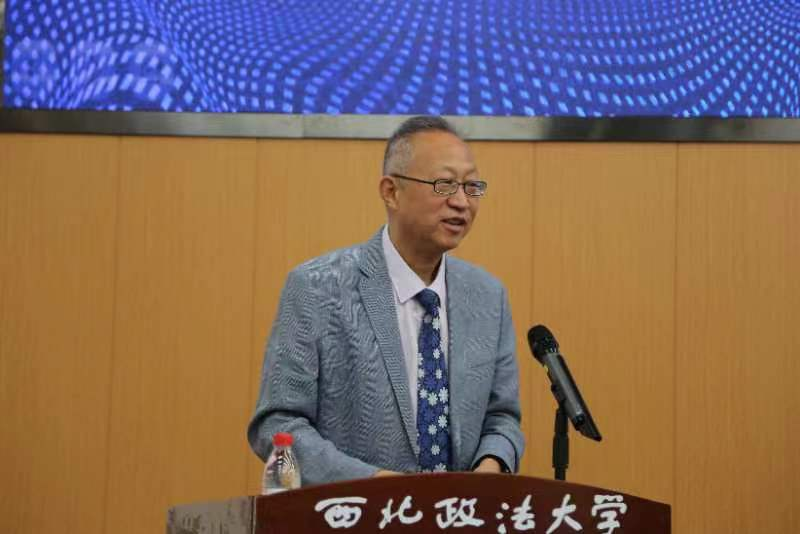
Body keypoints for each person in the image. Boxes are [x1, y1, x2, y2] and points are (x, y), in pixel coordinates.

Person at [247, 116, 524, 485]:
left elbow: (502, 417)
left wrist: (490, 468)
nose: (461, 202)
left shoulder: (488, 296)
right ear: (391, 191)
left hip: (461, 512)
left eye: (472, 186)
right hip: (353, 510)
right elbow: (278, 423)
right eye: (444, 185)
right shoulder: (317, 287)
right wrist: (375, 484)